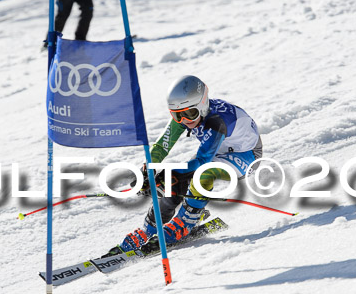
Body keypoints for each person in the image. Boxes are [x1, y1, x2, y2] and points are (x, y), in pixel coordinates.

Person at [112, 75, 263, 255]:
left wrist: (168, 174)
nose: (184, 120)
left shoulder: (218, 120)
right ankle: (150, 229)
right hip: (217, 151)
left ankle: (186, 222)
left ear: (202, 105)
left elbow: (202, 161)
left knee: (201, 173)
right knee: (175, 181)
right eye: (177, 115)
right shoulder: (185, 114)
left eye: (190, 114)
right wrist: (148, 169)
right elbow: (162, 146)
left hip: (246, 155)